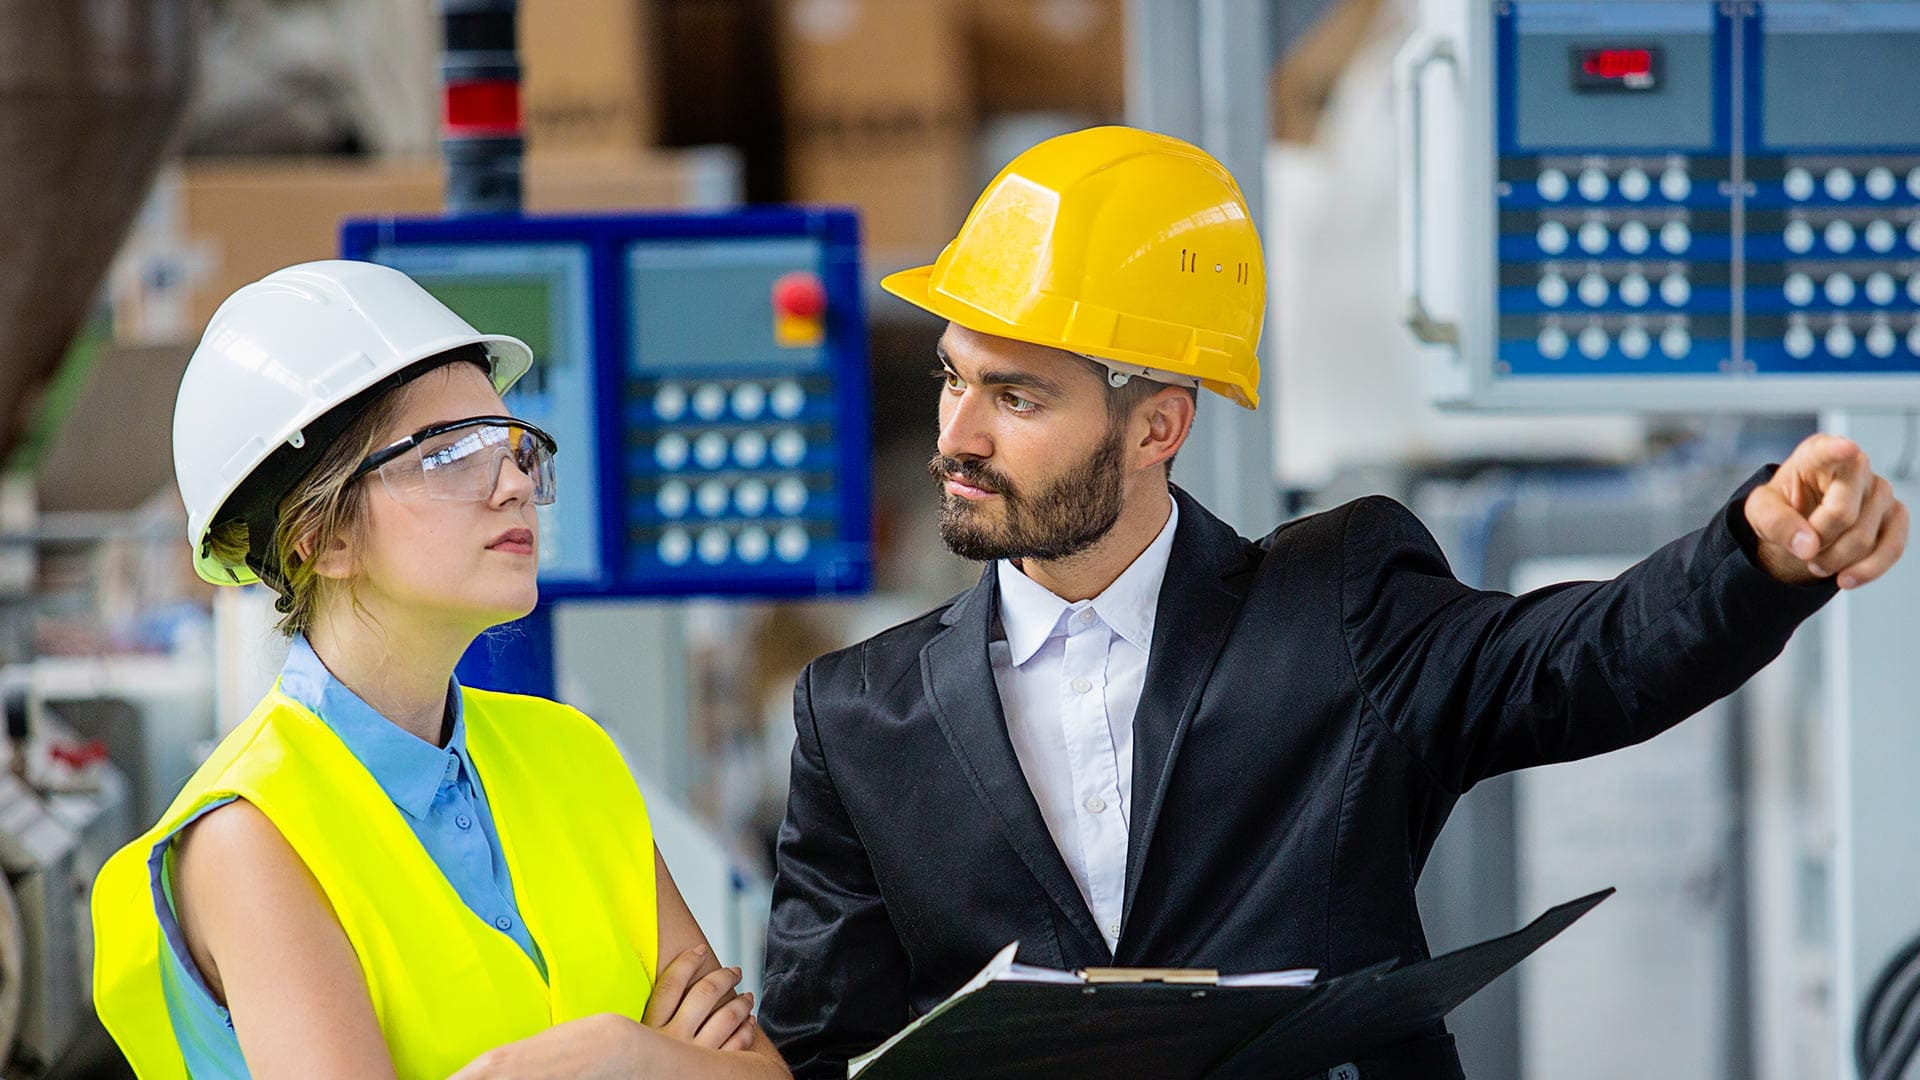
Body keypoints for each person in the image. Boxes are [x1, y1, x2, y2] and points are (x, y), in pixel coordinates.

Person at [757, 126, 1909, 1078]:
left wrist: (1758, 556)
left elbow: (1577, 662)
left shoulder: (1338, 609)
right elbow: (825, 1053)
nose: (956, 436)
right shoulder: (859, 719)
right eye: (953, 377)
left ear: (1157, 426)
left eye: (1013, 396)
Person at [90, 261, 790, 1080]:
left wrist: (619, 1053)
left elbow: (764, 1075)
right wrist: (661, 1061)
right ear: (321, 537)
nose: (515, 484)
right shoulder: (250, 835)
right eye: (451, 453)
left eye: (516, 448)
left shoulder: (575, 757)